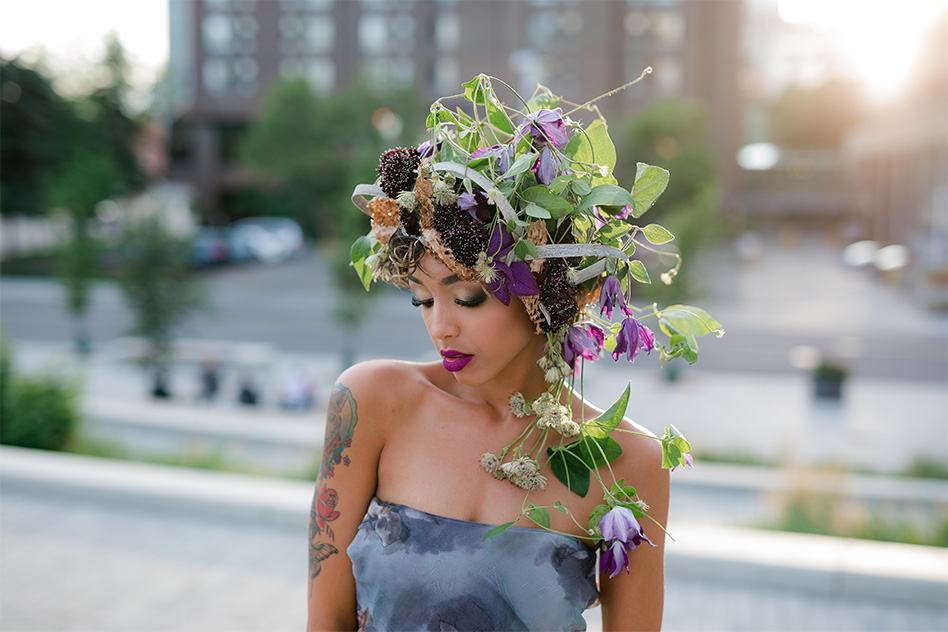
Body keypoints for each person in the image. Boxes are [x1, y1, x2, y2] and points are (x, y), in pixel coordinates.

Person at [307, 74, 720, 632]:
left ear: (552, 288)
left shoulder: (630, 461)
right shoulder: (372, 401)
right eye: (423, 301)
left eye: (468, 297)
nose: (441, 327)